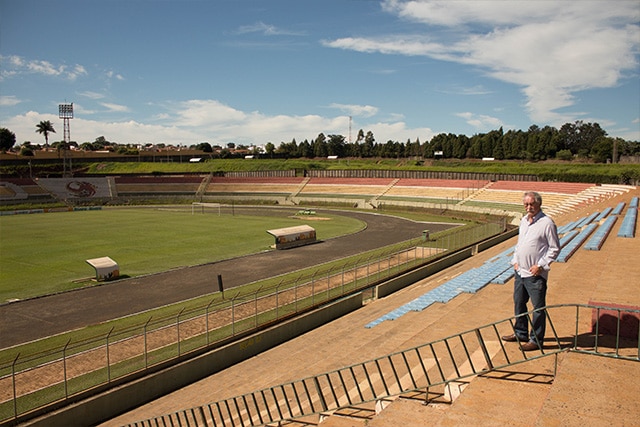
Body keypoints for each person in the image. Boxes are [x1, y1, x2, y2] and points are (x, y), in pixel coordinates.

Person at [503, 191, 560, 351]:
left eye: (532, 204)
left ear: (539, 204)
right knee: (519, 303)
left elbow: (554, 248)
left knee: (538, 308)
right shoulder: (523, 221)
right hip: (520, 272)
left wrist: (540, 265)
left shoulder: (547, 223)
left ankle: (536, 340)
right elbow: (520, 244)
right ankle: (520, 333)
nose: (529, 207)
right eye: (526, 204)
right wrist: (515, 260)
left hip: (535, 274)